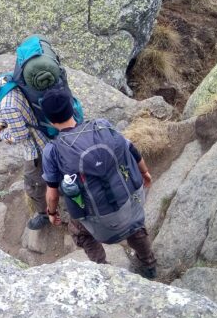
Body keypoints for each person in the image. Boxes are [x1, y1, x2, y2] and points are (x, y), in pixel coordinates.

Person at [39, 88, 157, 279]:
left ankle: (104, 270)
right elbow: (132, 149)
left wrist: (51, 213)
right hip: (128, 205)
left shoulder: (52, 151)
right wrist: (145, 172)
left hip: (99, 223)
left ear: (50, 121)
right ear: (73, 108)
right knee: (135, 227)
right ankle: (149, 264)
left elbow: (52, 194)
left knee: (79, 231)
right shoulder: (102, 126)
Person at [0, 61, 53, 230]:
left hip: (36, 149)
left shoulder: (6, 104)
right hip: (44, 132)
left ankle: (45, 214)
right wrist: (1, 125)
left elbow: (21, 135)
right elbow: (15, 112)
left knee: (32, 183)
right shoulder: (6, 80)